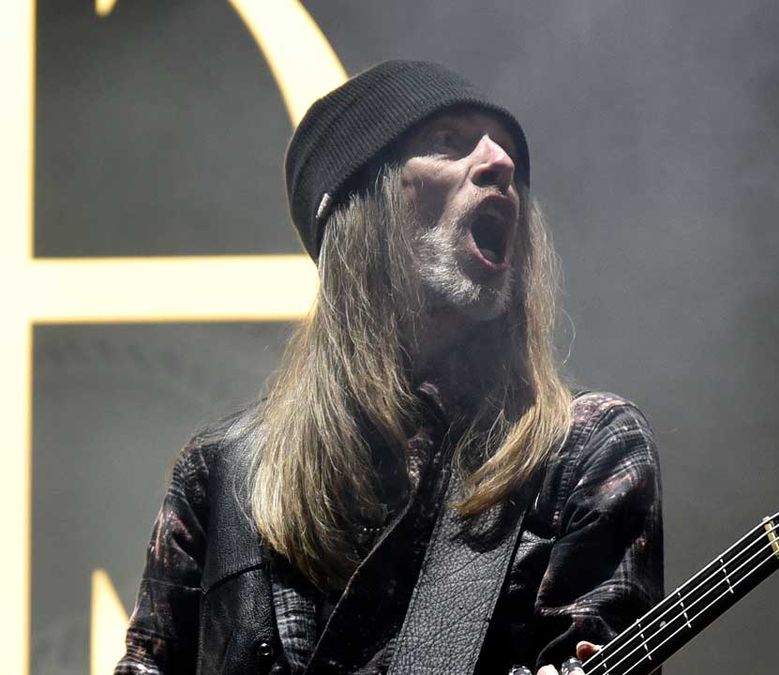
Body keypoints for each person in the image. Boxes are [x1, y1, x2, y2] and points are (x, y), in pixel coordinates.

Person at [116, 60, 663, 675]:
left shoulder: (585, 452)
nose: (500, 164)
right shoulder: (221, 477)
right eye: (449, 142)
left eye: (507, 150)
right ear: (360, 208)